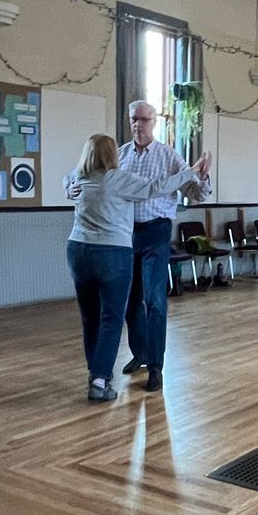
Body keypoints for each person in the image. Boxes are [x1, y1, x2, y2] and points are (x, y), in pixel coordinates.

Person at [66, 134, 209, 402]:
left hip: (78, 251)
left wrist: (68, 186)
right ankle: (99, 380)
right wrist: (191, 171)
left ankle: (98, 370)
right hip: (112, 252)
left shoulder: (81, 178)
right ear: (111, 155)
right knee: (112, 318)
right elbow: (158, 187)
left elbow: (67, 179)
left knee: (90, 317)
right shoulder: (116, 179)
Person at [116, 99, 208, 391]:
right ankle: (139, 354)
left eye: (143, 119)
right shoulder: (120, 155)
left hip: (156, 232)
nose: (137, 124)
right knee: (129, 301)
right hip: (126, 233)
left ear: (153, 122)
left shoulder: (169, 156)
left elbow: (195, 192)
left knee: (155, 301)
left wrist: (202, 175)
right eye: (134, 119)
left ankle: (156, 366)